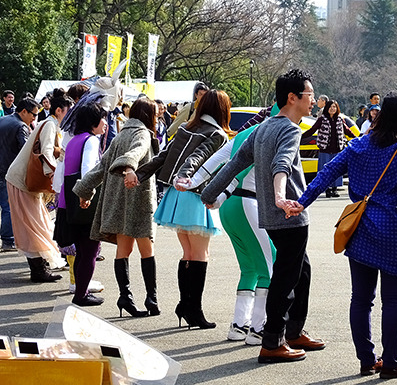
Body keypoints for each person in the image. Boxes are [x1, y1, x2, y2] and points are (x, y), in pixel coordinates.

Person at [288, 91, 397, 379]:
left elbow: (326, 173)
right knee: (394, 300)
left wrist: (302, 201)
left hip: (359, 227)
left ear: (381, 114)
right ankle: (390, 362)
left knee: (361, 299)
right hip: (393, 229)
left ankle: (366, 359)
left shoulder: (359, 144)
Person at [199, 69, 325, 364]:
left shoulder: (262, 128)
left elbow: (234, 164)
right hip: (288, 215)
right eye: (309, 96)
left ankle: (292, 331)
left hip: (271, 215)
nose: (313, 101)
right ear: (292, 98)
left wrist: (208, 193)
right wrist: (281, 197)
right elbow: (282, 164)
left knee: (300, 271)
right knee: (286, 279)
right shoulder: (291, 130)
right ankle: (273, 342)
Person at [176, 109, 279, 344]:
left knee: (250, 269)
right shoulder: (271, 134)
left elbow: (216, 161)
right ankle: (257, 328)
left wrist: (193, 181)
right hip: (248, 203)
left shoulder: (244, 134)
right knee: (269, 266)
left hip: (229, 205)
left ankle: (239, 325)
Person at [133, 90, 232, 329]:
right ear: (222, 110)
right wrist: (186, 176)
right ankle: (193, 310)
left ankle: (185, 305)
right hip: (194, 194)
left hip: (175, 195)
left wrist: (140, 174)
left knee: (188, 253)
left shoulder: (187, 128)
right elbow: (198, 157)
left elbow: (164, 156)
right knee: (200, 255)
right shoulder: (217, 134)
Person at [73, 97, 160, 318]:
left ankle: (125, 297)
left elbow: (101, 167)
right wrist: (129, 165)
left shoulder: (120, 134)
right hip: (138, 199)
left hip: (117, 200)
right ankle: (152, 297)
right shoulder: (143, 134)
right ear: (149, 115)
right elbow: (138, 151)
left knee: (124, 250)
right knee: (146, 249)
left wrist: (85, 189)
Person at [6, 89, 73, 282]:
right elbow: (45, 152)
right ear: (59, 110)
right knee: (33, 225)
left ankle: (40, 267)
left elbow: (50, 150)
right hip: (23, 181)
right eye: (68, 111)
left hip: (23, 181)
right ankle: (38, 270)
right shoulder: (50, 124)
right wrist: (53, 177)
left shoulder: (50, 124)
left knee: (37, 223)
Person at [57, 103, 108, 306]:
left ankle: (81, 291)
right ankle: (81, 295)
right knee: (90, 250)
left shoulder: (73, 140)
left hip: (67, 199)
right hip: (83, 200)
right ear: (93, 122)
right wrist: (87, 194)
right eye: (103, 118)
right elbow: (88, 168)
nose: (105, 123)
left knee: (81, 250)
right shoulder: (91, 140)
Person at [0, 98, 39, 251]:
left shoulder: (3, 120)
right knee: (8, 207)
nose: (34, 118)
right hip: (7, 171)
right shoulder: (21, 126)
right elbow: (26, 150)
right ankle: (8, 240)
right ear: (24, 111)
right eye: (33, 115)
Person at [302, 100, 356, 198]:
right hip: (325, 149)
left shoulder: (340, 119)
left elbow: (347, 130)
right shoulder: (322, 119)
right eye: (330, 107)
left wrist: (356, 137)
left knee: (337, 170)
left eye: (334, 107)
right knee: (325, 170)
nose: (332, 109)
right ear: (327, 108)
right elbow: (312, 130)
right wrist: (301, 136)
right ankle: (327, 189)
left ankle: (334, 189)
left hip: (337, 149)